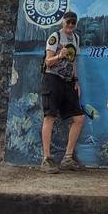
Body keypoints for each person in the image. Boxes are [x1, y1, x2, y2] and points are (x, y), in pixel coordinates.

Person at [40, 10, 85, 173]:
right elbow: (48, 62)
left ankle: (68, 157)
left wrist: (76, 80)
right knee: (50, 116)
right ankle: (46, 159)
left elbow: (74, 62)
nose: (71, 25)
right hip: (53, 79)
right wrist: (59, 56)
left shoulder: (75, 38)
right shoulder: (55, 37)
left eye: (73, 22)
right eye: (68, 22)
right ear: (63, 22)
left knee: (79, 118)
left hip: (68, 82)